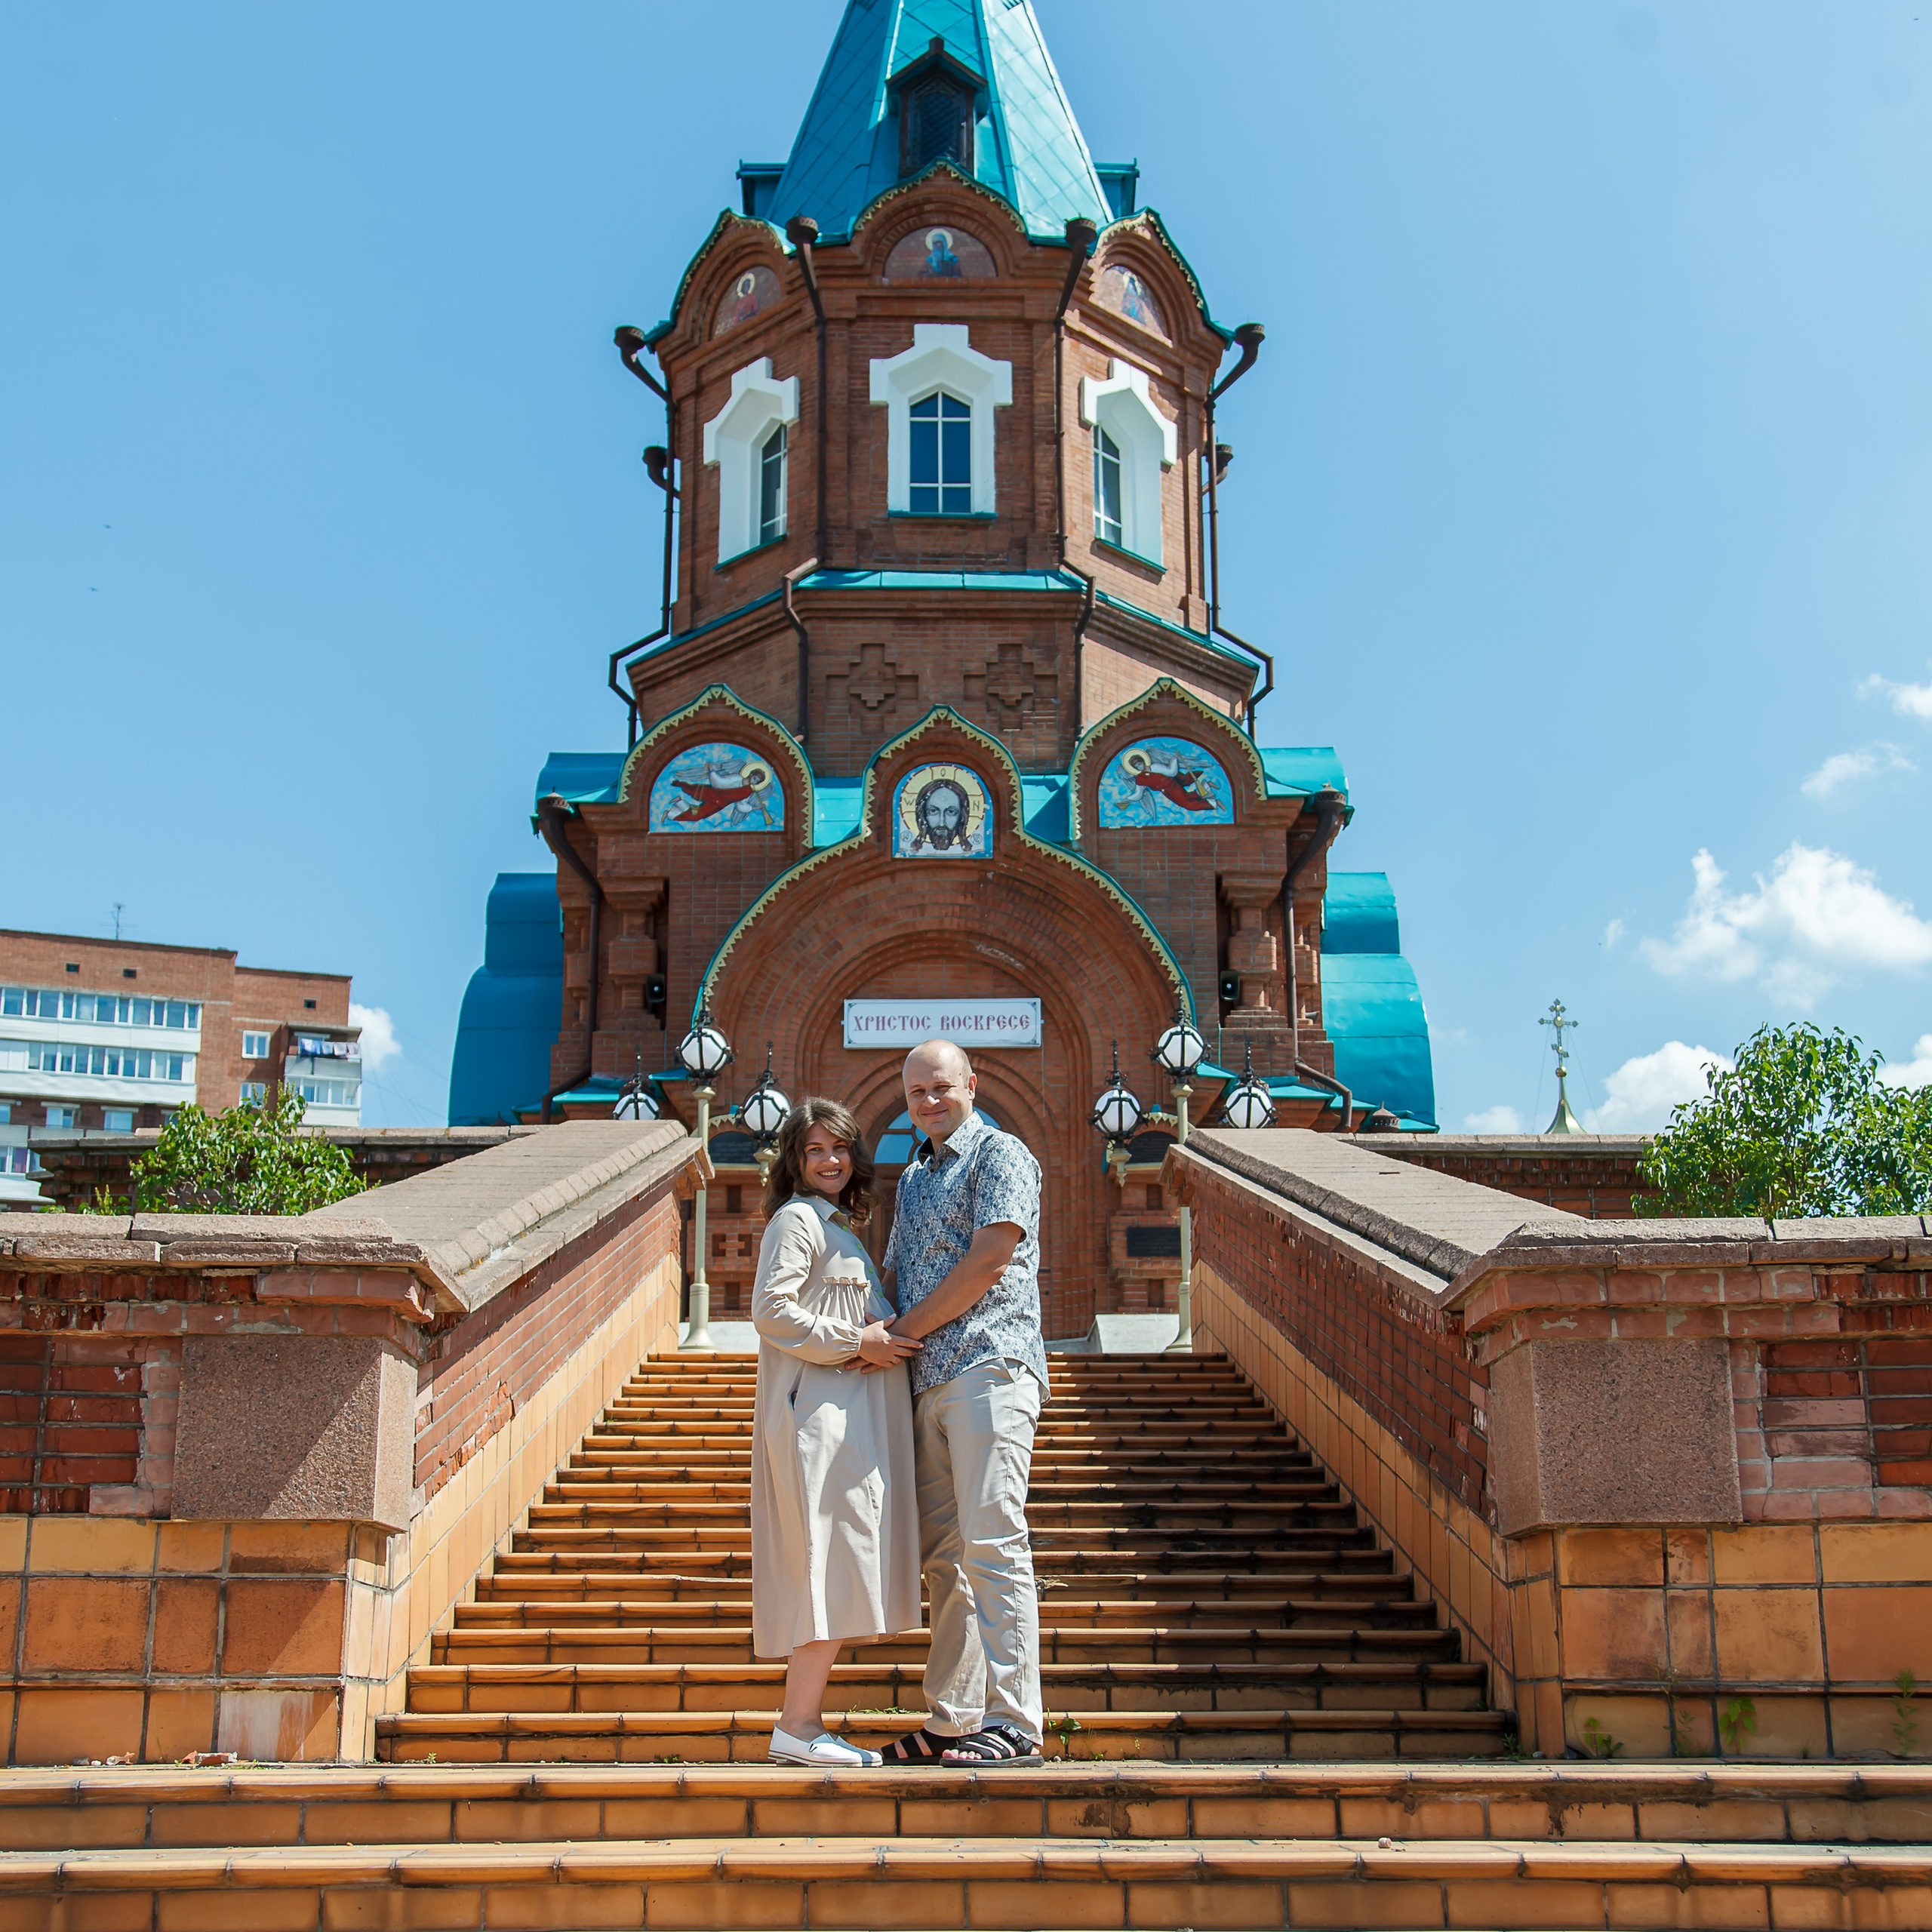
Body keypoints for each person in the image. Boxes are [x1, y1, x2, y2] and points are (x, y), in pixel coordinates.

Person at [875, 1039, 1048, 1767]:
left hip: (988, 1366)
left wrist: (901, 1332)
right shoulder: (914, 1177)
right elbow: (891, 1276)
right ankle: (954, 1717)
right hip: (926, 1383)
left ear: (971, 1085)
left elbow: (990, 1259)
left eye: (941, 1088)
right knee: (946, 1561)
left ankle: (1017, 1721)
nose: (929, 1102)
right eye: (917, 1093)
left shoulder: (999, 1154)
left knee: (993, 1542)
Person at [749, 1097, 921, 1767]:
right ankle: (797, 1725)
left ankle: (801, 1724)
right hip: (818, 1422)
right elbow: (772, 1311)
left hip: (847, 1421)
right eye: (815, 1150)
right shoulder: (797, 1220)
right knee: (824, 1560)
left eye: (840, 1148)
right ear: (795, 1160)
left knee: (838, 1562)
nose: (829, 1160)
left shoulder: (838, 1229)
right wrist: (857, 1340)